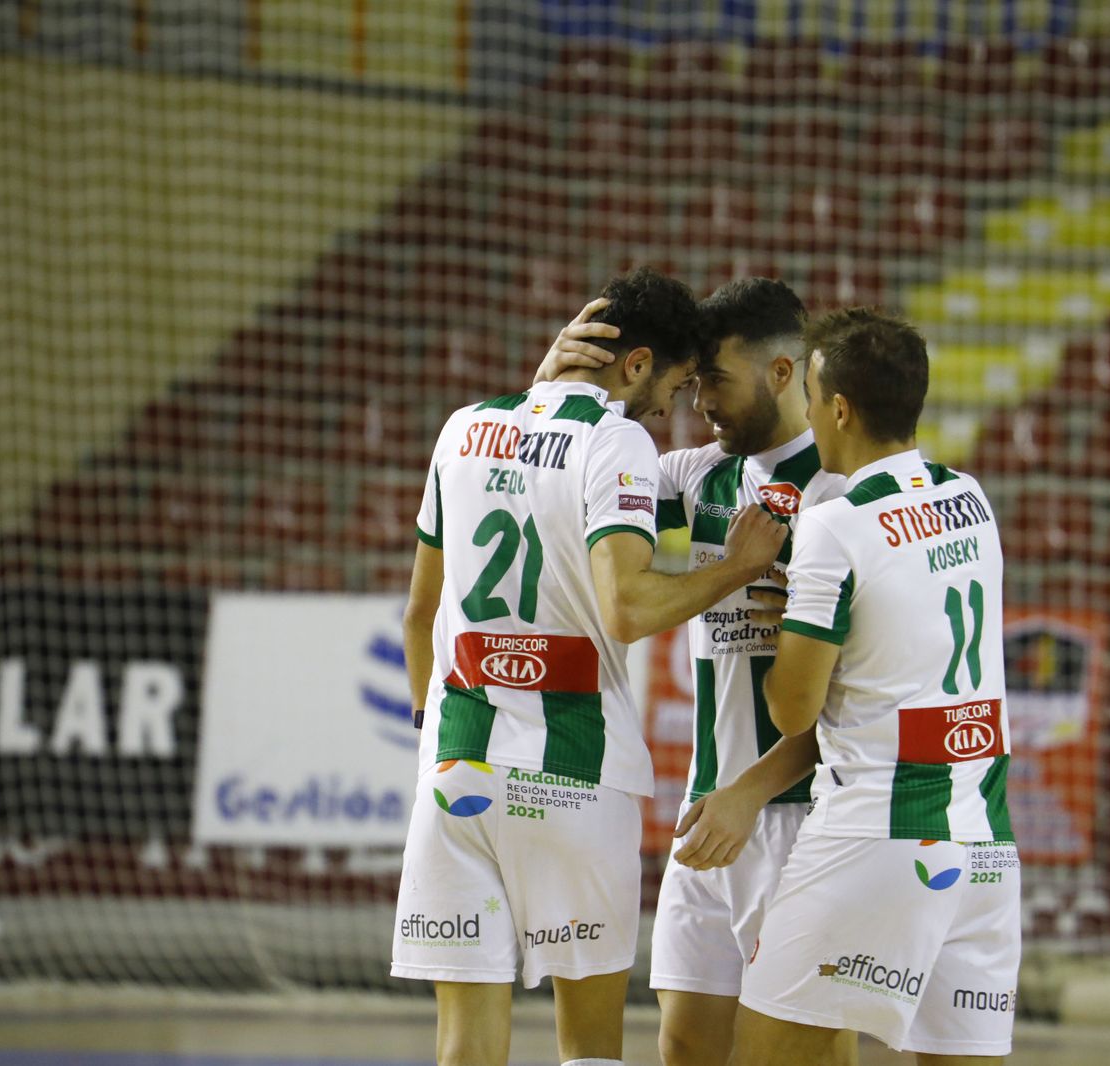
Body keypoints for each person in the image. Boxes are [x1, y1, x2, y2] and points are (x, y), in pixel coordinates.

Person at [392, 267, 789, 1066]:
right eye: (672, 387)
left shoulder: (463, 427)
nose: (671, 409)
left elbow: (418, 614)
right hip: (572, 773)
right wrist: (737, 568)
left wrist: (432, 730)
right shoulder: (617, 441)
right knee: (590, 1049)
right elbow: (628, 609)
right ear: (635, 364)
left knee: (464, 1044)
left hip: (456, 767)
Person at [538, 277, 855, 1066]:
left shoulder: (845, 494)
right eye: (694, 381)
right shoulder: (691, 476)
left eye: (716, 379)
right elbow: (565, 457)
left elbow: (866, 697)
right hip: (707, 816)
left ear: (781, 372)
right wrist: (552, 379)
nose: (699, 400)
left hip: (805, 816)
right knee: (684, 1050)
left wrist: (753, 793)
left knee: (810, 1055)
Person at [731, 309, 1019, 1065]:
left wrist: (797, 630)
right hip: (985, 844)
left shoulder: (835, 525)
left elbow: (792, 709)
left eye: (812, 396)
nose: (806, 415)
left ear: (839, 409)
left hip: (876, 838)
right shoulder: (971, 499)